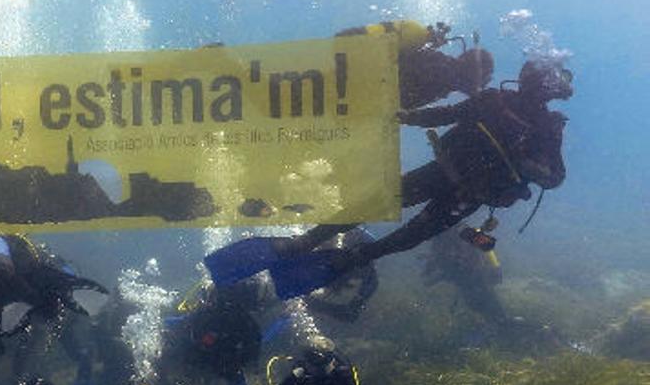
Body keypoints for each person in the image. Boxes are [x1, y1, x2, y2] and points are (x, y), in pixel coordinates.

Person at [208, 58, 571, 298]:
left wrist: (531, 167)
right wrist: (405, 116)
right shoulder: (494, 100)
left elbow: (556, 177)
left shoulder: (548, 128)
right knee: (374, 203)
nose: (534, 86)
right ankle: (303, 244)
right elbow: (445, 114)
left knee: (410, 236)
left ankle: (352, 258)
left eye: (542, 83)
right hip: (443, 173)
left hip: (470, 194)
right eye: (534, 78)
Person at [0, 235, 107, 346]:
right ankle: (63, 286)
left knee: (22, 274)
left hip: (17, 270)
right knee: (45, 290)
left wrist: (31, 298)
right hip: (22, 276)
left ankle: (63, 286)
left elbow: (2, 269)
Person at [336, 20, 494, 110]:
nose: (479, 87)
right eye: (482, 79)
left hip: (348, 88)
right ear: (473, 72)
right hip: (351, 89)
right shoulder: (444, 72)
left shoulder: (442, 67)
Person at [422, 228, 508, 324]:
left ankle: (500, 320)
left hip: (474, 271)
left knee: (485, 295)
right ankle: (494, 321)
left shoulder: (462, 230)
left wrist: (496, 266)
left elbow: (486, 247)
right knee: (473, 300)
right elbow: (438, 256)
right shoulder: (439, 238)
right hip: (462, 275)